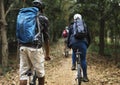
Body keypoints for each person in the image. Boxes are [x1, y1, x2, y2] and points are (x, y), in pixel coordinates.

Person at [17, 0, 50, 85]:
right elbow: (46, 38)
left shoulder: (24, 16)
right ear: (42, 9)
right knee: (40, 73)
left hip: (22, 47)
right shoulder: (43, 18)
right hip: (35, 48)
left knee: (23, 75)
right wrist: (47, 54)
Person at [67, 13, 91, 82]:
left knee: (74, 52)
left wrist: (69, 45)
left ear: (74, 19)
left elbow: (69, 37)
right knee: (83, 59)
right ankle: (85, 77)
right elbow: (88, 36)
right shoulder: (84, 25)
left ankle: (73, 65)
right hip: (83, 43)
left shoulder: (71, 26)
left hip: (74, 43)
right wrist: (87, 44)